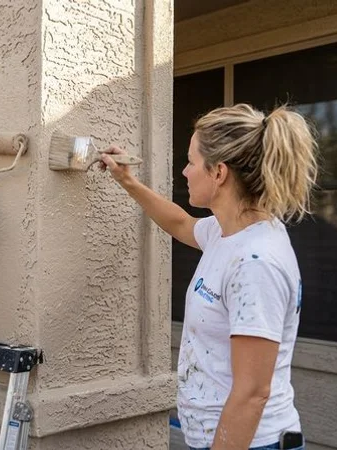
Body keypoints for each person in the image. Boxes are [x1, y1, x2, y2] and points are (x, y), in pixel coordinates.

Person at [101, 103, 316, 450]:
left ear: (218, 173)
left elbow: (251, 394)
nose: (184, 171)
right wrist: (128, 182)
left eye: (191, 161)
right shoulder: (226, 232)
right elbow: (181, 223)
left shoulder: (255, 263)